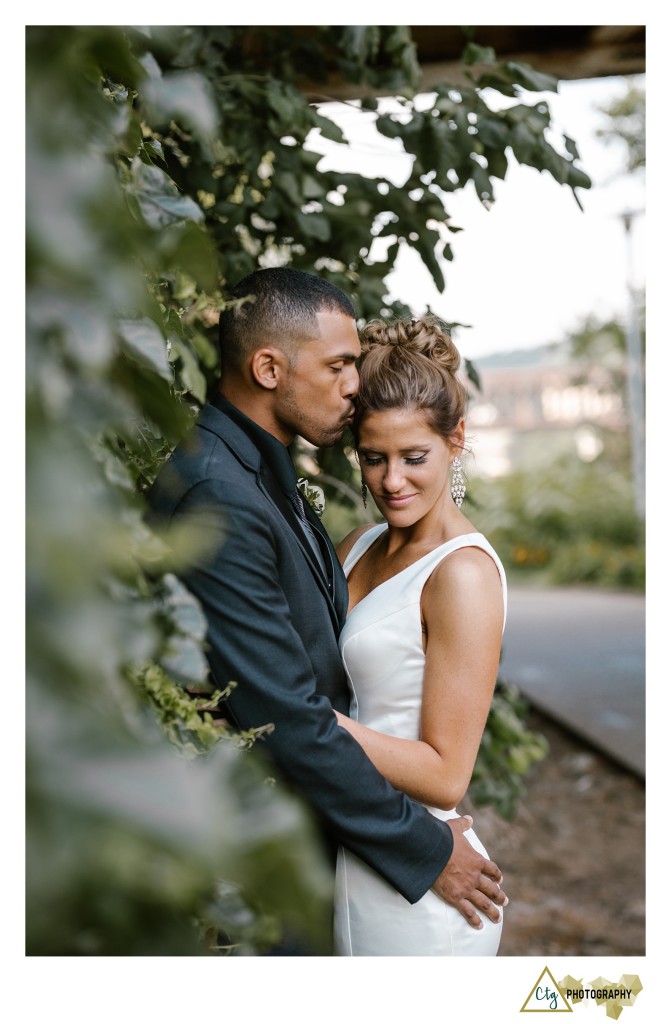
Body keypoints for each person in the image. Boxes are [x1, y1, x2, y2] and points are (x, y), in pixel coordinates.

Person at [146, 268, 507, 951]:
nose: (353, 383)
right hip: (290, 854)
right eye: (339, 364)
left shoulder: (270, 481)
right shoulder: (222, 493)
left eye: (412, 456)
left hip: (358, 854)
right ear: (267, 366)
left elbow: (302, 705)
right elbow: (283, 714)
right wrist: (424, 847)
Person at [331, 315, 507, 955]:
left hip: (427, 883)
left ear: (456, 438)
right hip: (354, 851)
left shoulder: (463, 573)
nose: (392, 481)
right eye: (373, 459)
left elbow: (444, 775)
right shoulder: (358, 544)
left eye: (414, 457)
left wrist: (303, 720)